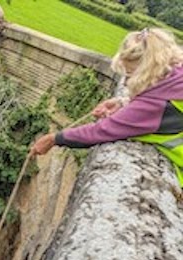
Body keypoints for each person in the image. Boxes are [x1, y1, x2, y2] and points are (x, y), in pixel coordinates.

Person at [31, 28, 183, 186]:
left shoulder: (153, 106)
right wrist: (123, 102)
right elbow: (162, 100)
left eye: (130, 74)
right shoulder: (176, 74)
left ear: (146, 70)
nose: (125, 82)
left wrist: (54, 139)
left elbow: (101, 131)